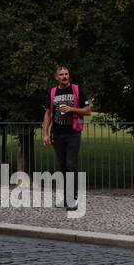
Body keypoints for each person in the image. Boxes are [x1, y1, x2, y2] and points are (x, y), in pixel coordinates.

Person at [42, 64, 90, 211]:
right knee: (62, 167)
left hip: (73, 133)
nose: (64, 77)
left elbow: (88, 110)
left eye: (66, 74)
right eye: (61, 74)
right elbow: (48, 113)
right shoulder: (52, 92)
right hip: (57, 134)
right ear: (57, 77)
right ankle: (66, 197)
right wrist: (45, 133)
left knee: (70, 165)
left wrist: (72, 109)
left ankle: (72, 198)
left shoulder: (76, 90)